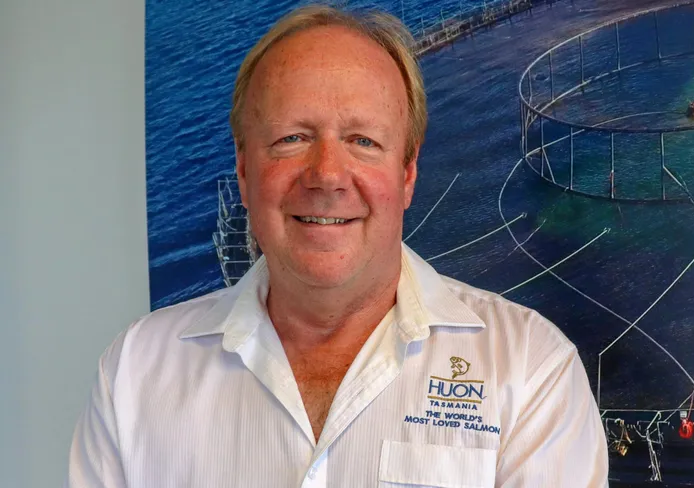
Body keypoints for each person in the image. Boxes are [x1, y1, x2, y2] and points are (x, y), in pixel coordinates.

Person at [65, 5, 608, 488]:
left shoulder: (531, 371)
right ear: (244, 171)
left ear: (407, 173)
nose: (326, 174)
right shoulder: (134, 374)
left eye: (362, 141)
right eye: (292, 138)